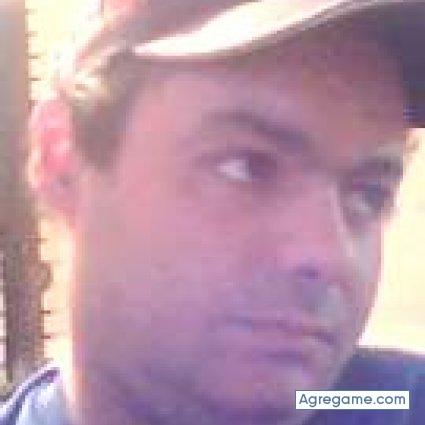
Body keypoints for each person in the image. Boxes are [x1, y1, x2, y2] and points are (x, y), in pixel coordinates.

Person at [2, 0, 425, 424]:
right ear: (61, 160)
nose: (327, 256)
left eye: (367, 195)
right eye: (245, 167)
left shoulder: (380, 400)